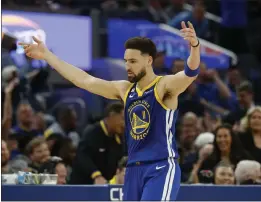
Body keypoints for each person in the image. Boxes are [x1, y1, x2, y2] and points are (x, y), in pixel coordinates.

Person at [19, 21, 200, 201]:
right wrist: (47, 55)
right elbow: (84, 80)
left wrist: (194, 46)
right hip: (133, 168)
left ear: (149, 60)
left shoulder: (164, 86)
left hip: (160, 167)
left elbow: (190, 73)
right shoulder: (125, 89)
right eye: (126, 61)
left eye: (133, 61)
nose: (128, 66)